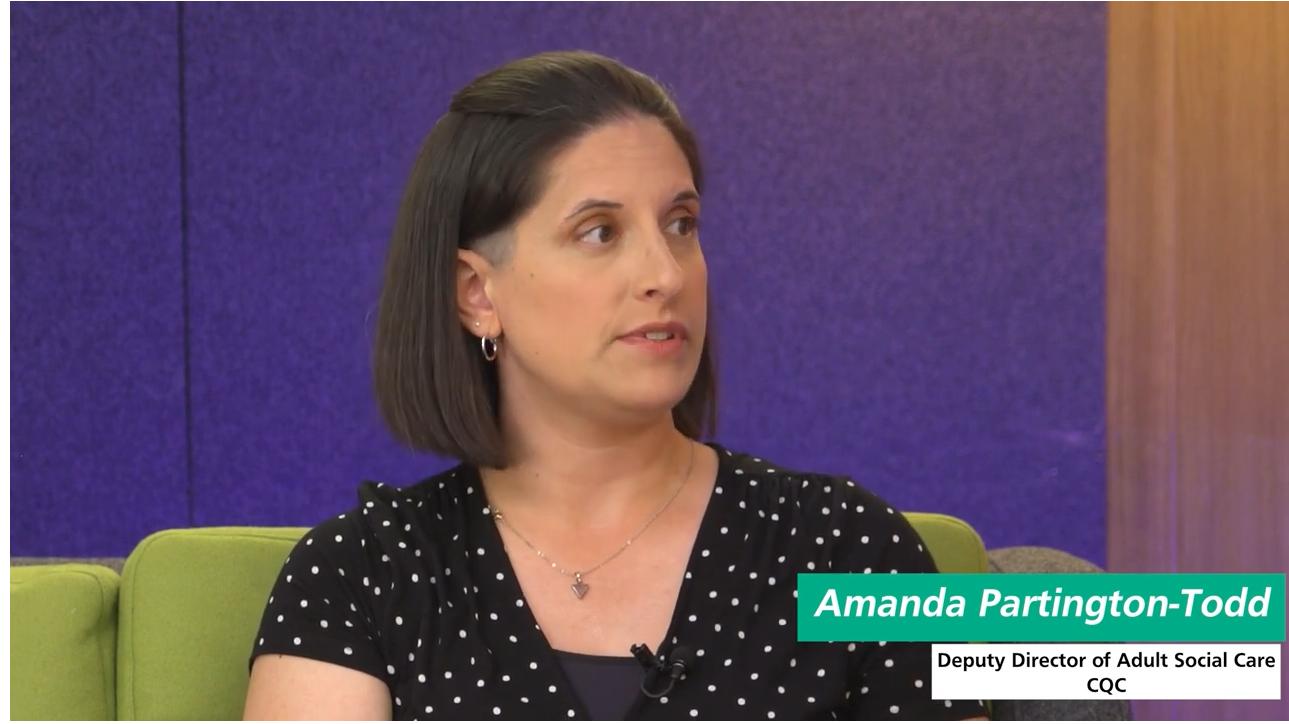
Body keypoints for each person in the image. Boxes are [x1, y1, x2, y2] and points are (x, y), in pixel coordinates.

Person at [243, 50, 989, 721]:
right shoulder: (362, 574)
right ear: (477, 293)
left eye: (681, 225)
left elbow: (1057, 646)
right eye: (599, 232)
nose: (665, 274)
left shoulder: (847, 546)